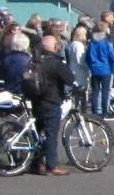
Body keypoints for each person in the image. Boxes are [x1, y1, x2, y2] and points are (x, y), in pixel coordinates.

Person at [21, 34, 76, 176]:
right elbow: (70, 79)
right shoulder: (56, 63)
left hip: (36, 100)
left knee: (38, 133)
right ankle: (52, 166)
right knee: (51, 134)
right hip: (51, 100)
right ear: (55, 47)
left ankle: (36, 163)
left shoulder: (35, 61)